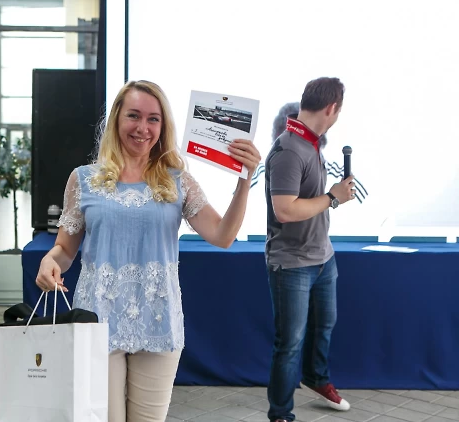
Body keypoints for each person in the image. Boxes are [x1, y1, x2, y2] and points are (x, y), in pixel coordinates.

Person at [35, 80, 261, 422]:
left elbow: (223, 235)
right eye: (134, 116)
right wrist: (49, 261)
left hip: (158, 320)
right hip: (96, 320)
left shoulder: (178, 181)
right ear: (116, 119)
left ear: (162, 126)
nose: (143, 127)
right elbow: (64, 250)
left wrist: (245, 180)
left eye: (153, 119)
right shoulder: (83, 180)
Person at [264, 77, 355, 422]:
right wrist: (332, 197)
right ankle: (280, 414)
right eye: (339, 110)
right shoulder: (289, 149)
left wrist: (332, 196)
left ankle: (316, 378)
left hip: (323, 258)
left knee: (324, 326)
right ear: (331, 108)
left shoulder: (310, 143)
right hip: (292, 265)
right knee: (289, 344)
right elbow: (285, 210)